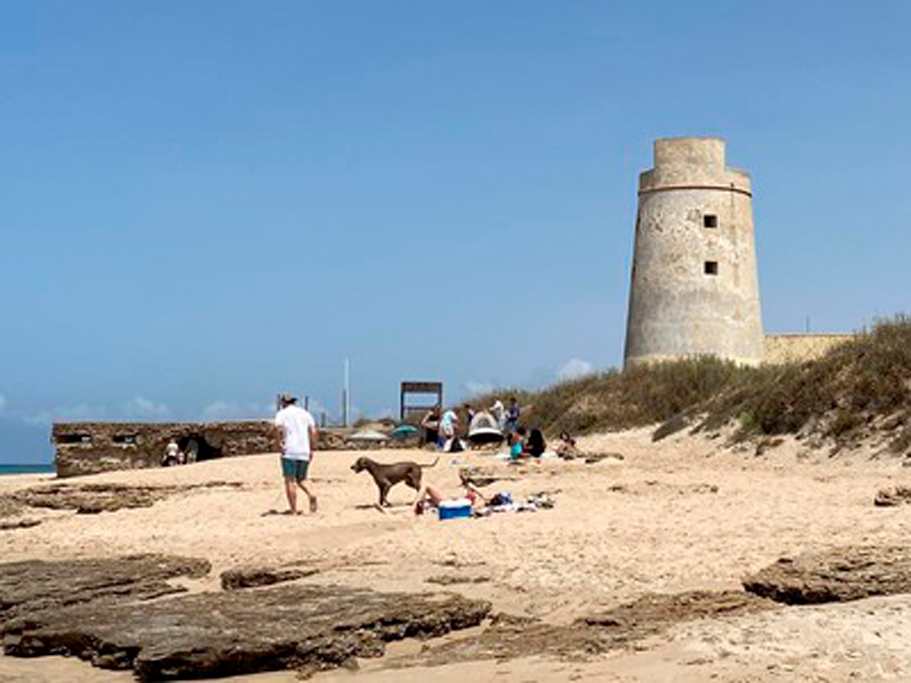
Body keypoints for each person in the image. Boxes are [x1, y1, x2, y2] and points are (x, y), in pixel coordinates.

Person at [274, 393, 318, 514]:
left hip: (290, 450)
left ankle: (293, 509)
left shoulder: (282, 414)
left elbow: (278, 429)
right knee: (301, 479)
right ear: (294, 401)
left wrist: (279, 444)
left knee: (290, 480)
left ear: (283, 402)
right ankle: (311, 494)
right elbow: (313, 431)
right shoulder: (305, 413)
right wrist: (312, 448)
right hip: (304, 450)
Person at [414, 480, 487, 515]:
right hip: (450, 500)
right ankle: (421, 505)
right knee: (426, 490)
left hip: (448, 501)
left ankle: (414, 506)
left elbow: (482, 501)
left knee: (427, 485)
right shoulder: (479, 498)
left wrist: (474, 488)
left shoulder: (481, 501)